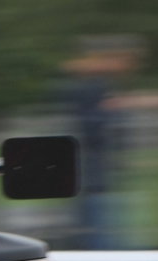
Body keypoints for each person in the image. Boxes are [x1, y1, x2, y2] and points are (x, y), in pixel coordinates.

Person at [58, 35, 147, 249]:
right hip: (91, 175)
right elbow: (88, 126)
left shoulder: (101, 85)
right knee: (99, 232)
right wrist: (112, 110)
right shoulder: (89, 87)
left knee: (104, 226)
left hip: (101, 174)